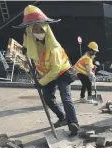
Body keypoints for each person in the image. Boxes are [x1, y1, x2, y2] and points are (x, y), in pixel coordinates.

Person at [14, 5, 79, 135]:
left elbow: (55, 70)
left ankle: (73, 122)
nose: (37, 32)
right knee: (48, 98)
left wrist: (40, 82)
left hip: (61, 73)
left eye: (40, 29)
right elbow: (27, 36)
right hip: (46, 74)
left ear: (45, 29)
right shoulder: (32, 41)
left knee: (65, 98)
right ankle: (62, 117)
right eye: (34, 29)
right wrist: (24, 48)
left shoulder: (53, 48)